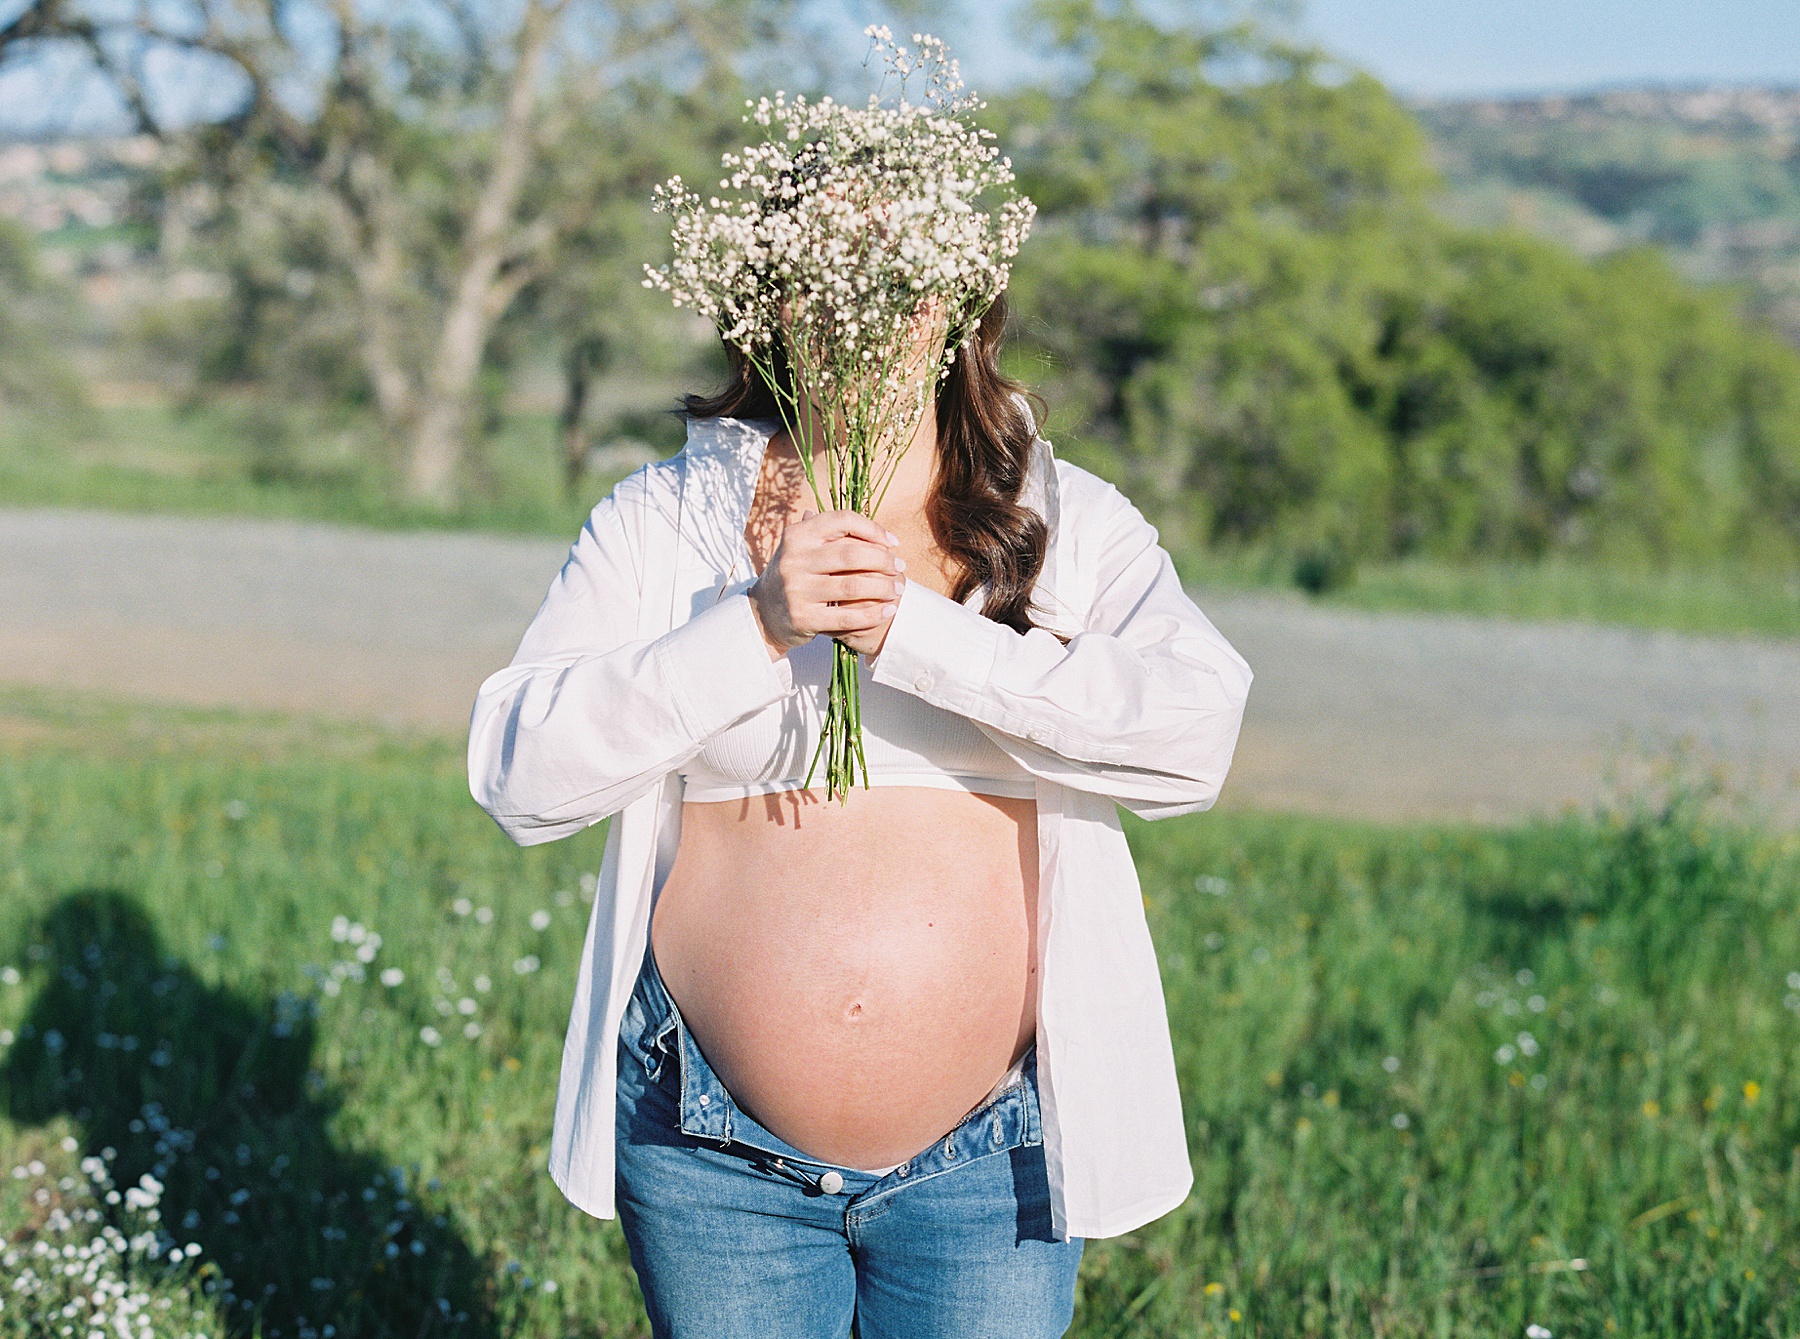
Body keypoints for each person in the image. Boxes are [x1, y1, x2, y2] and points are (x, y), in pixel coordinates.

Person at [466, 291, 1253, 1338]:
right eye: (831, 271)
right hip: (712, 1151)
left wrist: (923, 638)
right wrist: (755, 625)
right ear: (769, 298)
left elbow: (1195, 734)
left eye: (905, 277)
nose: (871, 309)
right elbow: (520, 771)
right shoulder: (667, 519)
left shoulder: (1063, 517)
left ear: (961, 298)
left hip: (993, 1155)